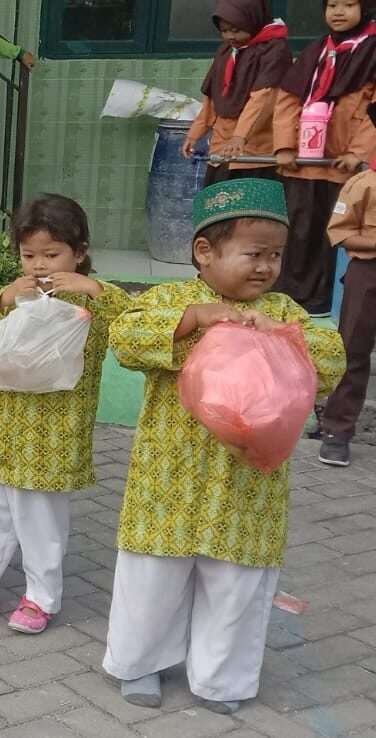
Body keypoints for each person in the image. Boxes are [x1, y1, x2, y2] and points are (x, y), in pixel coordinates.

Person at [104, 178, 345, 714]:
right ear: (205, 252)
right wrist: (195, 320)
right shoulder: (172, 299)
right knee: (154, 576)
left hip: (247, 486)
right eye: (253, 254)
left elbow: (330, 364)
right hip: (170, 478)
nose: (265, 267)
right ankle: (139, 664)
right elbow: (126, 339)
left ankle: (222, 679)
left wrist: (287, 339)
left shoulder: (284, 312)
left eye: (275, 256)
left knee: (236, 582)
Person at [0, 194, 129, 634]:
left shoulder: (95, 303)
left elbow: (133, 321)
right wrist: (3, 300)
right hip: (3, 431)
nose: (40, 266)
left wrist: (96, 289)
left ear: (79, 253)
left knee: (41, 521)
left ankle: (41, 597)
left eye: (52, 254)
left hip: (53, 438)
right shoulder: (14, 298)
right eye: (29, 255)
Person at [272, 0, 376, 316]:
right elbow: (288, 99)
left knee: (333, 236)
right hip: (304, 164)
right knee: (299, 229)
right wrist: (285, 147)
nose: (338, 11)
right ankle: (290, 296)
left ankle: (324, 302)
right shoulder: (316, 49)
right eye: (332, 4)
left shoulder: (372, 50)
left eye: (348, 4)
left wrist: (357, 152)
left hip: (346, 169)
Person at [316, 104, 376, 466]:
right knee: (352, 351)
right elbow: (339, 233)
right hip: (367, 275)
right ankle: (337, 431)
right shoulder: (363, 183)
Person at [182, 0, 291, 186]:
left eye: (236, 30)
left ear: (253, 21)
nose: (230, 36)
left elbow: (264, 98)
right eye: (224, 31)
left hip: (255, 150)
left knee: (250, 210)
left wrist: (240, 136)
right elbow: (213, 96)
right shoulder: (227, 51)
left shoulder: (274, 50)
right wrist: (194, 134)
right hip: (221, 148)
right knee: (218, 209)